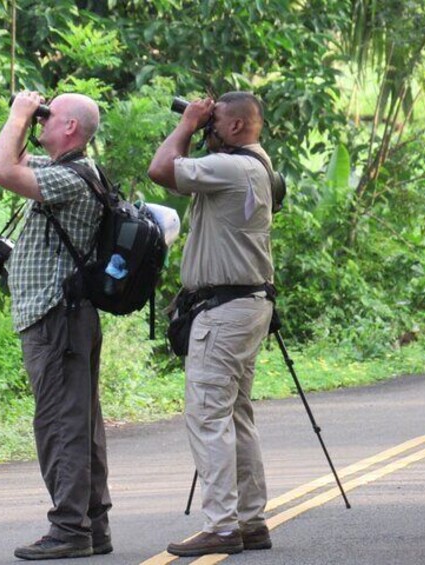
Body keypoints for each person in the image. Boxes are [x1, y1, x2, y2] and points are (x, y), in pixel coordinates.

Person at [147, 92, 275, 557]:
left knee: (207, 413)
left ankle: (222, 524)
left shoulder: (234, 168)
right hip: (244, 306)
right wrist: (203, 123)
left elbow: (161, 169)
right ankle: (250, 520)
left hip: (225, 312)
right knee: (236, 414)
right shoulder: (256, 166)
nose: (206, 127)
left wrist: (185, 123)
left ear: (238, 126)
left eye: (214, 121)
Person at [0, 91, 112, 560]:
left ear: (71, 128)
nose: (39, 122)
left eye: (48, 117)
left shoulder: (70, 179)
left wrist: (20, 111)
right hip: (67, 316)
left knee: (60, 422)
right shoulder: (73, 170)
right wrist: (20, 119)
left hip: (56, 316)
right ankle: (93, 525)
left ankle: (69, 528)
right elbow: (13, 156)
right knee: (80, 420)